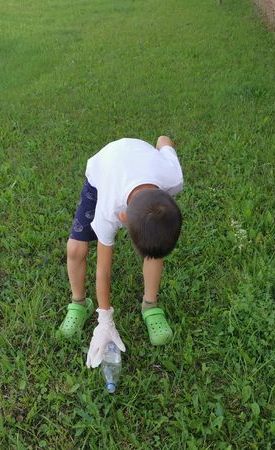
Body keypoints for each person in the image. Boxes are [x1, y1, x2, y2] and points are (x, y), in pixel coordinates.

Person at [58, 136, 183, 368]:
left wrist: (160, 147)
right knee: (76, 248)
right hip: (104, 169)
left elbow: (163, 140)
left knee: (153, 242)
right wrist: (105, 319)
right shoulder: (110, 209)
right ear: (122, 218)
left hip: (138, 167)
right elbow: (103, 269)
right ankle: (79, 303)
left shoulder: (173, 177)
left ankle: (150, 305)